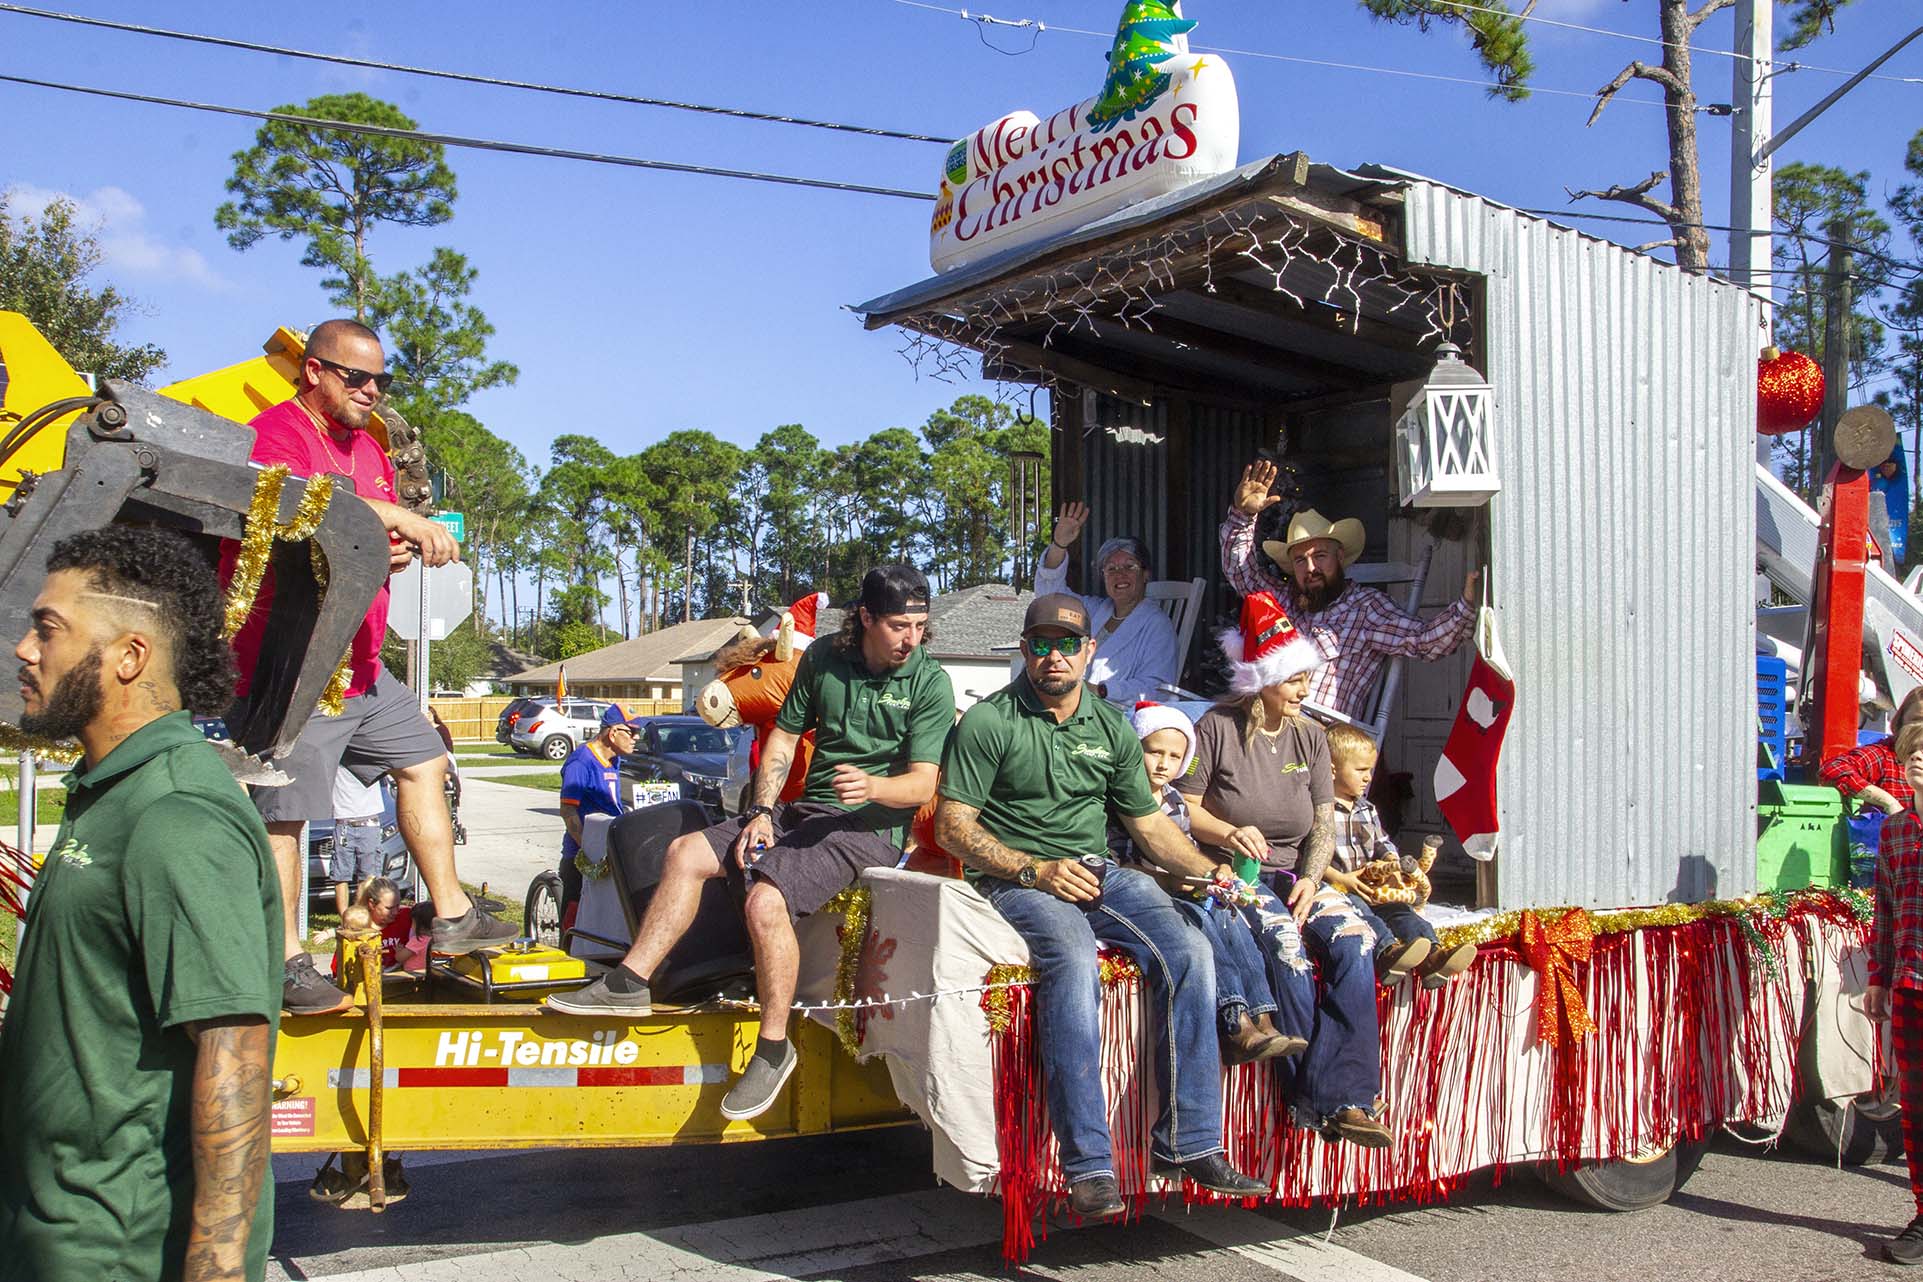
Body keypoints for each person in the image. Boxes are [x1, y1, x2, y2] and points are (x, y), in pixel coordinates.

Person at [548, 566, 954, 1124]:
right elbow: (782, 739)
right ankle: (629, 982)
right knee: (684, 854)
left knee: (765, 899)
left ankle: (773, 1047)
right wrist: (761, 811)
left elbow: (924, 785)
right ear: (865, 618)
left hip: (868, 829)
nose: (911, 639)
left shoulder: (929, 681)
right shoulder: (824, 659)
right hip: (804, 810)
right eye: (898, 626)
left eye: (919, 626)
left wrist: (874, 787)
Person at [0, 527, 280, 1281]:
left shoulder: (176, 813)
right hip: (54, 1231)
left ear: (129, 657)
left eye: (48, 629)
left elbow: (234, 1053)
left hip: (118, 1250)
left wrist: (217, 1270)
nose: (24, 649)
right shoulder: (110, 791)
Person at [936, 592, 1268, 1219]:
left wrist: (1211, 871)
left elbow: (1150, 826)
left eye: (1067, 644)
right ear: (1025, 650)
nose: (1054, 656)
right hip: (1017, 878)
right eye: (1041, 644)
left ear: (1089, 650)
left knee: (1191, 948)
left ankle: (1190, 1141)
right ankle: (1088, 1165)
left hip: (1099, 872)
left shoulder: (1111, 726)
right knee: (1072, 957)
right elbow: (953, 828)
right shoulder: (988, 722)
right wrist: (1035, 869)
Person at [224, 318, 513, 1014]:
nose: (371, 391)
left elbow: (362, 539)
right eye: (356, 377)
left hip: (360, 662)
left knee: (425, 760)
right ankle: (284, 963)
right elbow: (293, 508)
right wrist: (393, 518)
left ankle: (451, 914)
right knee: (285, 817)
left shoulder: (370, 450)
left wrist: (392, 547)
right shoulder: (276, 434)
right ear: (313, 371)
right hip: (296, 667)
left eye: (380, 379)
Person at [1178, 591, 1392, 1147]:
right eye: (1294, 680)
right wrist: (1228, 833)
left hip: (1299, 872)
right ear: (1263, 680)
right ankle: (1323, 1101)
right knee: (1288, 952)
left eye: (1305, 678)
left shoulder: (1312, 735)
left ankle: (1342, 1096)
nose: (1304, 690)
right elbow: (1187, 807)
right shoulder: (1215, 728)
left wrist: (1315, 881)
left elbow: (1323, 823)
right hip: (1239, 871)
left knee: (1356, 941)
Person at [1110, 701, 1307, 1065]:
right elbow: (1120, 865)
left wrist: (1216, 872)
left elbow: (1189, 846)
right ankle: (1235, 1023)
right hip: (1154, 893)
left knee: (1232, 920)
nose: (1163, 763)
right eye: (1154, 752)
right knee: (1203, 925)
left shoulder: (1174, 800)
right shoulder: (1121, 799)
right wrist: (1172, 879)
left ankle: (1263, 1017)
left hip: (1187, 886)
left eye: (1174, 756)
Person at [1221, 459, 1477, 721]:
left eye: (1320, 555)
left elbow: (1425, 641)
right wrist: (1243, 515)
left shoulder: (1365, 608)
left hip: (1320, 731)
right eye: (1300, 560)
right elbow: (1241, 574)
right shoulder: (1281, 601)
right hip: (1266, 726)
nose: (1311, 568)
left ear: (1340, 556)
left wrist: (1467, 604)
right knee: (1208, 723)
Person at [1321, 722, 1477, 988]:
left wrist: (1393, 864)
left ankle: (1433, 956)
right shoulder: (1319, 809)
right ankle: (1387, 953)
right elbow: (1311, 854)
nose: (1368, 777)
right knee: (1360, 912)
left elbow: (1382, 842)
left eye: (1370, 770)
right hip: (1339, 888)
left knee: (1401, 911)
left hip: (1373, 885)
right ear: (1332, 769)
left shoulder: (1367, 809)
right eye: (1361, 770)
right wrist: (1341, 879)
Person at [1033, 501, 1181, 706]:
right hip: (1071, 704)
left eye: (1130, 566)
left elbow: (1157, 689)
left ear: (1145, 574)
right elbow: (1050, 598)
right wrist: (1059, 544)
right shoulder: (1094, 610)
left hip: (1116, 712)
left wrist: (1100, 690)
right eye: (1111, 569)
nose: (1120, 574)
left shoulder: (1157, 625)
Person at [1868, 719, 1923, 1264]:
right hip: (1911, 984)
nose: (1917, 759)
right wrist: (1879, 978)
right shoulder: (1896, 831)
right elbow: (1884, 909)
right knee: (1917, 1110)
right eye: (1912, 752)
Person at [556, 704, 639, 915]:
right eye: (632, 732)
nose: (636, 738)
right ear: (613, 732)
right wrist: (588, 847)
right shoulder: (581, 762)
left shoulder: (613, 759)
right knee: (575, 917)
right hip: (583, 856)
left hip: (610, 848)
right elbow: (568, 811)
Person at [1820, 686, 1923, 815]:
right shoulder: (1884, 756)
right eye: (1917, 720)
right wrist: (1888, 802)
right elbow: (1834, 768)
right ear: (1900, 721)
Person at [330, 767, 386, 919]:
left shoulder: (371, 760)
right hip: (343, 823)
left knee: (368, 876)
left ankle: (362, 917)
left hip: (370, 822)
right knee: (341, 874)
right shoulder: (335, 760)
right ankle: (345, 919)